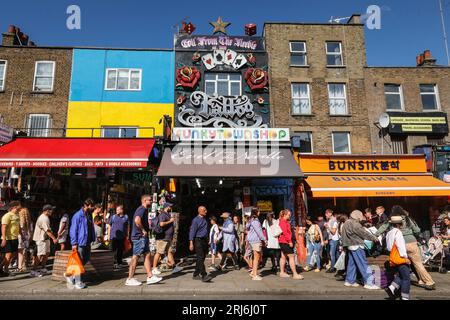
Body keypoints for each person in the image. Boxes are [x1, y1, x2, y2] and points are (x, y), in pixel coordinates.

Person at [376, 205, 436, 290]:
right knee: (418, 264)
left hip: (399, 244)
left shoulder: (391, 219)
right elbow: (417, 230)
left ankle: (397, 283)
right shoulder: (408, 218)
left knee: (401, 264)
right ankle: (429, 282)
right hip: (412, 243)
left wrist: (375, 235)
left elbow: (382, 228)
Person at [126, 195, 163, 286]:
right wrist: (143, 230)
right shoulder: (141, 209)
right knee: (136, 257)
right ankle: (130, 279)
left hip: (142, 237)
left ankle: (150, 276)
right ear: (144, 200)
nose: (151, 202)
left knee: (147, 255)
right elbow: (137, 220)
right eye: (150, 200)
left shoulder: (144, 209)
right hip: (139, 237)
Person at [341, 210, 380, 290]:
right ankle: (369, 283)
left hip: (350, 246)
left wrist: (345, 246)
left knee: (352, 264)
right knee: (363, 264)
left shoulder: (346, 223)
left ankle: (349, 281)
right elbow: (363, 233)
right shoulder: (355, 224)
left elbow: (343, 235)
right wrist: (373, 238)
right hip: (357, 245)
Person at [67, 199, 96, 289]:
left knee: (86, 259)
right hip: (80, 242)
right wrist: (74, 243)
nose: (93, 208)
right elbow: (73, 230)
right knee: (78, 262)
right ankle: (78, 282)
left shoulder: (89, 215)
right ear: (86, 205)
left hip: (87, 241)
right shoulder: (77, 215)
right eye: (92, 206)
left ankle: (71, 276)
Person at [385, 215, 411, 300]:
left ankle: (392, 287)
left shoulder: (389, 233)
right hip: (400, 258)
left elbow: (389, 248)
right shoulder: (398, 232)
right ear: (400, 224)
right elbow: (400, 246)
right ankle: (404, 297)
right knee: (406, 278)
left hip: (393, 258)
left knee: (401, 275)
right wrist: (405, 257)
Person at [152, 203, 182, 275]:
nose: (171, 207)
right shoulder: (163, 214)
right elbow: (161, 224)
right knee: (159, 252)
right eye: (170, 206)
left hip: (168, 237)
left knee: (169, 252)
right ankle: (154, 268)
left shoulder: (167, 214)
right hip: (163, 237)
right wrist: (170, 221)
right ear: (166, 207)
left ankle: (174, 267)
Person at [31, 205, 58, 277]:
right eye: (51, 210)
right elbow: (47, 231)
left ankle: (43, 268)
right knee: (40, 255)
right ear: (47, 210)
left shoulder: (46, 217)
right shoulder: (43, 218)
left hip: (45, 239)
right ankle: (33, 270)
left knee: (47, 253)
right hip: (41, 239)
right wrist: (54, 238)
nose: (52, 211)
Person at [278, 209, 304, 280]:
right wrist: (290, 241)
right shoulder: (283, 222)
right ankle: (295, 274)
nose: (290, 216)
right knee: (291, 257)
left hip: (283, 241)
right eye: (289, 215)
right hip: (285, 242)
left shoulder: (284, 221)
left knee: (283, 256)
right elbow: (285, 233)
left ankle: (282, 272)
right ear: (284, 215)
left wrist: (295, 240)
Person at [189, 206, 212, 282]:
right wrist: (191, 243)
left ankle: (195, 274)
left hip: (204, 240)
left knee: (202, 258)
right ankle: (204, 275)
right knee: (200, 257)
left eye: (206, 210)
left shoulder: (204, 219)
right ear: (200, 211)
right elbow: (192, 231)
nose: (206, 211)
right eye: (204, 210)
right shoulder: (195, 220)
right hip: (198, 240)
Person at [0, 201, 21, 276]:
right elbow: (3, 227)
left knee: (13, 255)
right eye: (19, 205)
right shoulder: (7, 215)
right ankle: (5, 270)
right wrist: (4, 239)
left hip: (15, 238)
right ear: (15, 206)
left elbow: (18, 226)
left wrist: (21, 234)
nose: (20, 207)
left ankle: (2, 268)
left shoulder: (17, 215)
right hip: (8, 238)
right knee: (8, 255)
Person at [246, 208, 266, 281]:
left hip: (251, 240)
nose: (260, 212)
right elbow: (259, 231)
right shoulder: (255, 221)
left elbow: (247, 227)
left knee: (255, 257)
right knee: (256, 258)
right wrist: (264, 239)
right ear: (256, 212)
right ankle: (254, 275)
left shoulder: (250, 220)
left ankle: (253, 272)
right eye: (259, 211)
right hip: (256, 240)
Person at [108, 204, 129, 268]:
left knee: (120, 250)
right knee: (113, 250)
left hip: (122, 237)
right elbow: (109, 226)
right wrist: (109, 235)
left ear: (122, 210)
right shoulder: (113, 217)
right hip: (113, 236)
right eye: (116, 210)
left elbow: (128, 226)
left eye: (118, 209)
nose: (116, 211)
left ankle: (119, 263)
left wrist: (127, 234)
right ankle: (112, 263)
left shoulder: (126, 217)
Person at [17, 207, 33, 272]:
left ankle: (19, 266)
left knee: (19, 252)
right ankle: (23, 266)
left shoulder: (19, 221)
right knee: (24, 252)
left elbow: (18, 230)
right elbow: (31, 231)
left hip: (20, 237)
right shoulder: (30, 222)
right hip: (27, 237)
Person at [325, 209, 340, 273]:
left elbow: (333, 231)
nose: (326, 215)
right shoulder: (330, 220)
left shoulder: (334, 220)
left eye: (326, 214)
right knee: (336, 254)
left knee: (332, 254)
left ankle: (332, 268)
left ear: (330, 213)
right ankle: (338, 267)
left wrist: (327, 227)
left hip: (334, 239)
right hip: (332, 239)